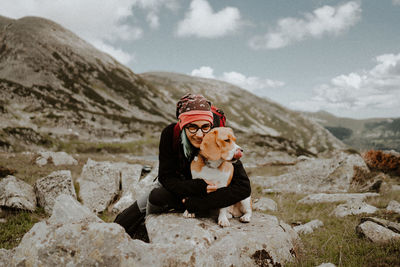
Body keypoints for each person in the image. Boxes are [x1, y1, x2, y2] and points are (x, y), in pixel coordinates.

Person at [114, 93, 251, 237]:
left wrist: (197, 204)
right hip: (180, 187)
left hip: (201, 196)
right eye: (192, 127)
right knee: (127, 218)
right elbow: (166, 178)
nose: (199, 134)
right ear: (182, 125)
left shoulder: (219, 136)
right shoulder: (170, 134)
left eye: (205, 127)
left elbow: (243, 187)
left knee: (158, 197)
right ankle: (142, 226)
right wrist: (196, 188)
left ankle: (147, 233)